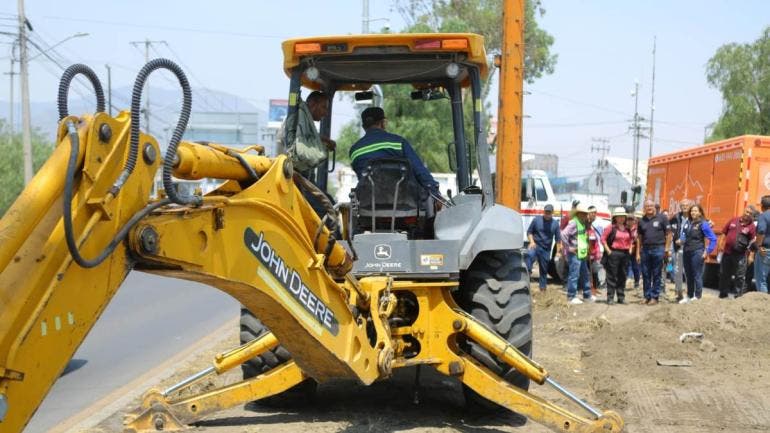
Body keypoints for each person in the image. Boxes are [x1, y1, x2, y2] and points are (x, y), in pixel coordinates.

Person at [349, 106, 439, 195]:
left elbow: (361, 177)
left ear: (364, 126)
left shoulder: (355, 151)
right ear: (383, 123)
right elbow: (419, 171)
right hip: (405, 203)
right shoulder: (399, 142)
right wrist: (434, 192)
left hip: (368, 204)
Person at [276, 91, 336, 173]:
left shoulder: (305, 120)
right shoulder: (299, 118)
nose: (325, 113)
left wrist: (323, 140)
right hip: (288, 170)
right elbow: (299, 146)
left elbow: (306, 136)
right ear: (312, 104)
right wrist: (322, 149)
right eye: (323, 107)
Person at [679, 204, 717, 303]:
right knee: (688, 275)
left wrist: (707, 251)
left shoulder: (703, 224)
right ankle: (689, 296)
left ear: (700, 212)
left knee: (697, 275)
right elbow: (683, 235)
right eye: (692, 211)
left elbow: (713, 239)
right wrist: (681, 240)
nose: (693, 213)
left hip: (697, 252)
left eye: (695, 211)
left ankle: (697, 296)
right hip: (686, 251)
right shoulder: (688, 223)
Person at [717, 207, 756, 298]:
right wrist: (720, 244)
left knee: (740, 276)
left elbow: (753, 242)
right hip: (727, 252)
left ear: (752, 215)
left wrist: (751, 256)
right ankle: (723, 294)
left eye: (750, 213)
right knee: (724, 274)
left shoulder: (752, 227)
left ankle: (738, 295)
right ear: (744, 211)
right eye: (747, 212)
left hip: (740, 255)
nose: (747, 214)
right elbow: (724, 232)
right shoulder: (734, 220)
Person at [636, 200, 670, 305]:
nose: (649, 207)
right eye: (647, 206)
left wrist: (667, 249)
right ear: (644, 208)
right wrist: (637, 253)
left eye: (651, 205)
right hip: (645, 249)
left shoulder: (662, 218)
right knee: (646, 274)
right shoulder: (641, 221)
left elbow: (669, 234)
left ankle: (655, 297)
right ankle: (647, 296)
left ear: (654, 207)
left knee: (656, 273)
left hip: (658, 248)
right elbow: (639, 238)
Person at [560, 203, 595, 304]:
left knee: (585, 274)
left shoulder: (583, 223)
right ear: (578, 214)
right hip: (574, 253)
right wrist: (568, 247)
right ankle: (571, 296)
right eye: (583, 214)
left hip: (582, 252)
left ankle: (587, 295)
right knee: (574, 274)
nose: (585, 215)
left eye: (585, 214)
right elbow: (563, 234)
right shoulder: (574, 223)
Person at [602, 207, 634, 304]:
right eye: (619, 217)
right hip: (614, 253)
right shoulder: (611, 227)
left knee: (622, 275)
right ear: (615, 218)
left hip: (625, 254)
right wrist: (609, 251)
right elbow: (603, 239)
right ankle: (610, 297)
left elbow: (631, 240)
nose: (621, 218)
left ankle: (621, 297)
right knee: (612, 276)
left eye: (623, 217)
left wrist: (630, 249)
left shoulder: (627, 229)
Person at [527, 204, 560, 291]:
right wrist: (532, 242)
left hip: (546, 249)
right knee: (529, 255)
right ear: (543, 211)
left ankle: (542, 288)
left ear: (552, 213)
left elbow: (558, 240)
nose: (547, 214)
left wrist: (558, 252)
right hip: (535, 245)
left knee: (544, 270)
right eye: (546, 212)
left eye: (549, 212)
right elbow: (529, 232)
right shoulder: (536, 220)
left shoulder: (555, 224)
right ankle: (528, 273)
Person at [669, 199, 693, 301]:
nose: (684, 207)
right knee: (677, 271)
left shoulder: (694, 217)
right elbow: (669, 230)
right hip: (677, 247)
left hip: (689, 248)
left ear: (690, 206)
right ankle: (679, 293)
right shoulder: (676, 217)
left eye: (686, 205)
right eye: (682, 205)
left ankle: (690, 293)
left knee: (688, 272)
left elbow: (704, 223)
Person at [753, 195, 770, 294]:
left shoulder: (763, 216)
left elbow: (761, 232)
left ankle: (764, 306)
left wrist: (758, 246)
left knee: (761, 280)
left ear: (762, 206)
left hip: (766, 251)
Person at [587, 205, 605, 295]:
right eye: (592, 213)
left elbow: (596, 241)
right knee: (587, 272)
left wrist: (597, 252)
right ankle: (588, 289)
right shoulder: (585, 225)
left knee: (594, 271)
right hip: (586, 254)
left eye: (595, 213)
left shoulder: (593, 227)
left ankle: (594, 287)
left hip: (593, 254)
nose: (594, 215)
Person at [626, 210, 642, 289]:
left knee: (636, 266)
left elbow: (638, 240)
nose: (629, 221)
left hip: (635, 249)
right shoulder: (625, 228)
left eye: (631, 219)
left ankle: (636, 281)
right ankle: (627, 278)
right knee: (626, 265)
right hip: (626, 249)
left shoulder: (637, 229)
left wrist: (637, 252)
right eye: (628, 219)